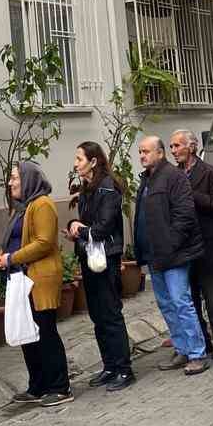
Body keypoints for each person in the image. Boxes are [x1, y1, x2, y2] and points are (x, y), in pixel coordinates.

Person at [0, 162, 71, 407]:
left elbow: (44, 242)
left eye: (15, 178)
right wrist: (3, 255)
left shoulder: (42, 204)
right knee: (29, 332)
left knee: (45, 332)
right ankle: (37, 385)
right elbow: (16, 239)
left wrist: (11, 258)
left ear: (28, 180)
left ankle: (59, 387)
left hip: (39, 278)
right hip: (21, 278)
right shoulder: (22, 208)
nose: (10, 182)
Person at [134, 135, 209, 375]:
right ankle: (182, 349)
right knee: (166, 304)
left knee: (180, 301)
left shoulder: (174, 177)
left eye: (146, 151)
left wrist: (171, 244)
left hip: (174, 254)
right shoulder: (146, 180)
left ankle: (197, 352)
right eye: (140, 152)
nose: (142, 156)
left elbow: (185, 215)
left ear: (160, 152)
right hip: (154, 255)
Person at [66, 142, 133, 391]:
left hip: (107, 256)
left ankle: (124, 369)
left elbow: (103, 226)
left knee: (111, 313)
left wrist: (80, 229)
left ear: (93, 162)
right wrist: (76, 227)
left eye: (79, 158)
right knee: (97, 314)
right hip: (90, 256)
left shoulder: (108, 187)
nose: (76, 163)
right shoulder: (87, 189)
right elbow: (87, 222)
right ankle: (109, 366)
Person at [171, 129, 213, 360]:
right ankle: (201, 340)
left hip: (207, 243)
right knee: (190, 297)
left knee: (212, 293)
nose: (174, 151)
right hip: (183, 245)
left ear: (192, 146)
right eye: (172, 147)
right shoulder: (172, 176)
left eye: (178, 146)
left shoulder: (212, 174)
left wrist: (193, 195)